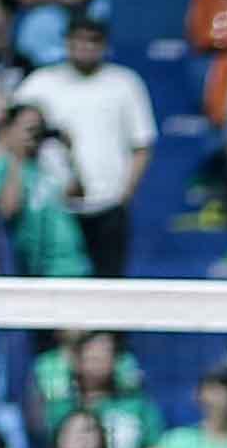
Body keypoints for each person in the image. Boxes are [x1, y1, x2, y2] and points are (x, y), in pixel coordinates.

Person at [17, 14, 159, 282]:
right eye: (77, 40)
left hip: (109, 205)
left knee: (108, 288)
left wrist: (124, 195)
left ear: (104, 44)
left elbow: (142, 144)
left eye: (93, 40)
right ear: (66, 42)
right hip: (54, 208)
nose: (84, 47)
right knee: (57, 287)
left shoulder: (125, 83)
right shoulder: (40, 83)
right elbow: (13, 133)